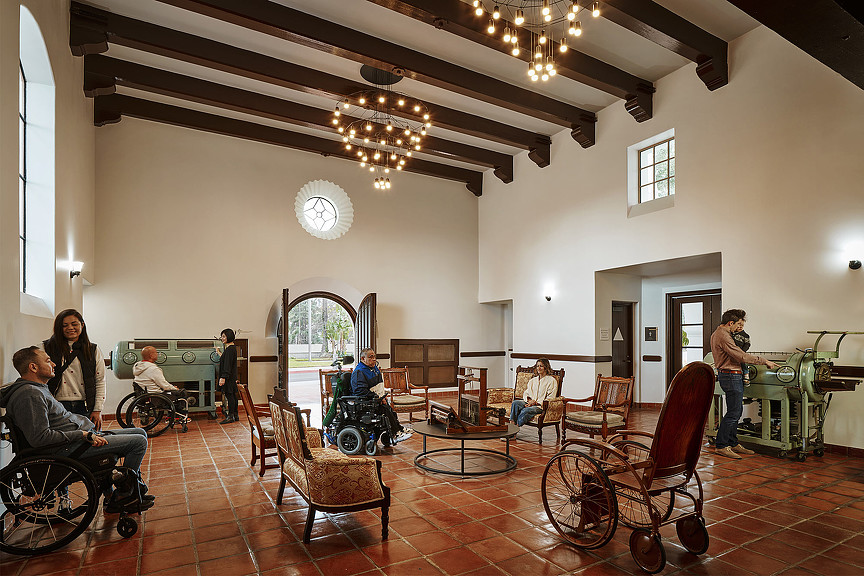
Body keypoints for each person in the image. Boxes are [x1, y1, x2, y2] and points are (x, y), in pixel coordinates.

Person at [1, 346, 153, 512]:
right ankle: (126, 494)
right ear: (33, 367)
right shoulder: (30, 394)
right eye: (47, 360)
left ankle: (132, 487)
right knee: (138, 442)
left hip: (78, 440)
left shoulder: (36, 389)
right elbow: (40, 438)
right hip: (68, 449)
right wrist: (82, 434)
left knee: (140, 432)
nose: (53, 364)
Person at [710, 309, 778, 459]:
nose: (739, 328)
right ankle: (721, 446)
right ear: (730, 323)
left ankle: (733, 443)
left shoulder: (723, 334)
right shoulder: (723, 336)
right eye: (737, 324)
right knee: (734, 412)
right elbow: (740, 355)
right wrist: (764, 361)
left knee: (736, 411)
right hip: (730, 375)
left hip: (733, 375)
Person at [43, 309, 106, 430]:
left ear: (82, 325)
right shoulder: (45, 347)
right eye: (64, 325)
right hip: (56, 406)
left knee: (90, 444)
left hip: (84, 406)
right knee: (62, 443)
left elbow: (100, 380)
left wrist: (97, 409)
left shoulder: (93, 349)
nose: (70, 328)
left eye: (74, 324)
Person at [350, 348, 412, 444]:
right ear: (363, 358)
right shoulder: (359, 372)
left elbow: (379, 385)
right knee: (385, 411)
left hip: (376, 399)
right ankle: (396, 433)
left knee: (390, 411)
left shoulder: (373, 368)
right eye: (371, 357)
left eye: (374, 356)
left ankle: (398, 429)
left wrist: (382, 396)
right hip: (365, 402)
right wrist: (377, 397)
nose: (374, 359)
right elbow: (360, 391)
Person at [133, 346, 190, 423]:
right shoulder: (153, 369)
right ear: (151, 355)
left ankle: (172, 415)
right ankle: (176, 416)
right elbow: (164, 385)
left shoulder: (137, 366)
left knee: (172, 391)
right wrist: (174, 388)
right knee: (182, 392)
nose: (157, 354)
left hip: (144, 395)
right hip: (156, 397)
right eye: (156, 352)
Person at [510, 357, 558, 427]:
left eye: (541, 366)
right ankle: (512, 426)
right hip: (530, 403)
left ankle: (515, 429)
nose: (539, 368)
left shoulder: (551, 381)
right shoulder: (533, 380)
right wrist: (529, 401)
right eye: (537, 366)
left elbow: (551, 397)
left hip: (540, 406)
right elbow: (526, 393)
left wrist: (536, 403)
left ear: (546, 367)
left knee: (525, 411)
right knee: (515, 403)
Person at [217, 328, 239, 424]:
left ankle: (230, 416)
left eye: (224, 336)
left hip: (228, 377)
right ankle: (235, 415)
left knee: (230, 396)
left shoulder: (229, 350)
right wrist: (219, 353)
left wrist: (223, 377)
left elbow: (227, 365)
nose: (222, 338)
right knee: (232, 395)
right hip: (231, 376)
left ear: (229, 337)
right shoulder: (231, 348)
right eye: (222, 336)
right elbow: (226, 360)